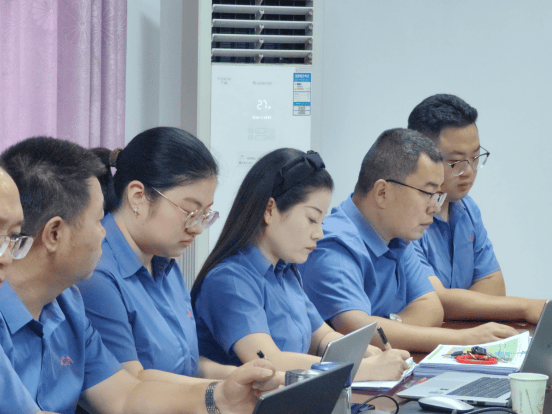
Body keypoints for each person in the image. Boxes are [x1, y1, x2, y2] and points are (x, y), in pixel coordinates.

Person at [0, 137, 279, 414]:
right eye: (98, 220)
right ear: (54, 234)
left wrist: (218, 396)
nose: (104, 232)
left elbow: (123, 395)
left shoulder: (68, 303)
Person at [191, 148, 410, 381]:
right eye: (312, 219)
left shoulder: (285, 272)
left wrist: (368, 353)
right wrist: (360, 369)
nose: (319, 233)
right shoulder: (230, 280)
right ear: (269, 210)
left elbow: (323, 338)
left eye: (322, 221)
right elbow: (268, 361)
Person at [300, 129, 519, 353]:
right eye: (427, 193)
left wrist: (389, 324)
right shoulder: (331, 245)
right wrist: (464, 339)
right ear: (382, 192)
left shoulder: (397, 236)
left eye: (438, 196)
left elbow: (431, 308)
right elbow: (359, 331)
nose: (434, 208)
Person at [77, 127, 238, 384]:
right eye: (190, 212)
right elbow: (131, 385)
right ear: (138, 197)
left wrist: (238, 377)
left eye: (204, 215)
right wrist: (220, 391)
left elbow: (185, 364)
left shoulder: (163, 260)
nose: (197, 228)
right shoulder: (96, 272)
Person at [408, 94, 545, 323]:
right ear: (420, 157)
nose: (469, 171)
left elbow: (494, 284)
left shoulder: (467, 209)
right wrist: (526, 307)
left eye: (475, 157)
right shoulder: (403, 217)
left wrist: (459, 307)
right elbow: (433, 299)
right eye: (457, 162)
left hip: (460, 335)